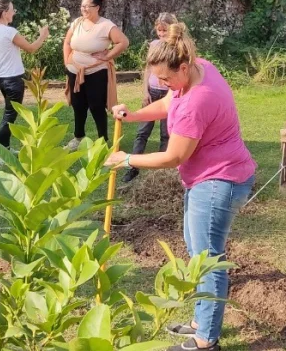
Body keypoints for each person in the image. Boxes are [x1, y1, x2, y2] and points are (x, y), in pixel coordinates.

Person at [105, 23, 256, 351]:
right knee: (197, 251)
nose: (162, 84)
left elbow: (173, 156)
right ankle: (201, 321)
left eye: (167, 78)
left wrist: (126, 160)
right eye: (158, 78)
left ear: (183, 67)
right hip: (212, 177)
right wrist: (132, 115)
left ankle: (206, 341)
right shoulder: (200, 69)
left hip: (219, 181)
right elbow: (168, 103)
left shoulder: (197, 101)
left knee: (208, 257)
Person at [0, 0, 50, 165]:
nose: (14, 13)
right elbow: (31, 48)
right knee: (9, 117)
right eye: (12, 10)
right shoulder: (9, 32)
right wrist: (42, 35)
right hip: (13, 81)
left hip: (2, 79)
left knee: (9, 114)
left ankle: (4, 148)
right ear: (5, 13)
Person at [63, 0, 129, 148]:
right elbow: (66, 43)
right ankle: (78, 138)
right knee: (78, 105)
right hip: (75, 70)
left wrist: (108, 56)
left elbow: (123, 42)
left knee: (96, 106)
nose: (84, 9)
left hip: (96, 71)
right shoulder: (77, 22)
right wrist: (67, 62)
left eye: (88, 6)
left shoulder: (106, 25)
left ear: (97, 7)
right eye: (82, 6)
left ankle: (102, 141)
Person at [122, 13, 177, 183]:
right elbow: (147, 69)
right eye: (159, 31)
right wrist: (145, 92)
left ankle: (160, 172)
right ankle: (133, 168)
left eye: (164, 30)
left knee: (165, 134)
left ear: (172, 28)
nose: (161, 34)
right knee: (142, 132)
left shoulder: (176, 47)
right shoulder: (154, 45)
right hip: (152, 92)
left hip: (167, 94)